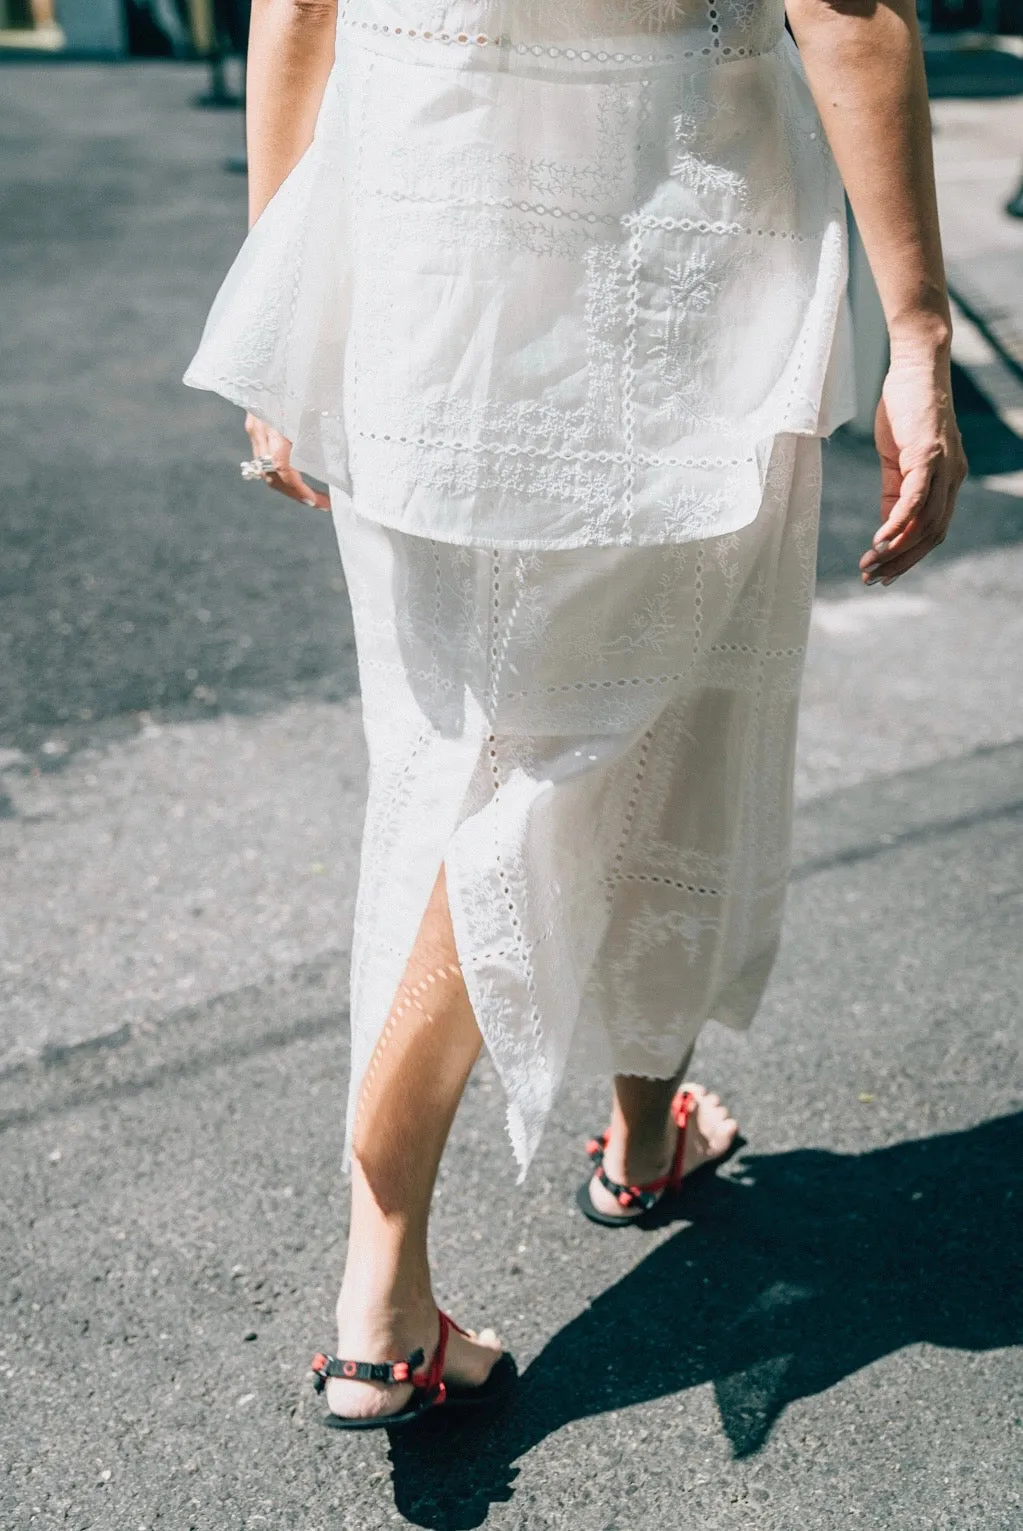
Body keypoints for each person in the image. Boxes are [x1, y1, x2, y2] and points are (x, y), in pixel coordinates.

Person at [184, 0, 966, 1430]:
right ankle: (379, 1281)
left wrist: (283, 284)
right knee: (624, 738)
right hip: (668, 253)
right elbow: (845, 11)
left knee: (456, 747)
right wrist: (915, 330)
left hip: (414, 251)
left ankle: (646, 1133)